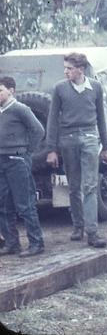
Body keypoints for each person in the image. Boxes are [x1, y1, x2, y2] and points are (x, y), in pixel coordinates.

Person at [44, 53, 107, 248]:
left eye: (69, 68)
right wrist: (51, 149)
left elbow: (101, 118)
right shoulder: (59, 89)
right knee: (74, 186)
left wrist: (106, 148)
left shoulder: (96, 87)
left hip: (90, 139)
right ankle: (78, 226)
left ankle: (92, 232)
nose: (65, 71)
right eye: (65, 68)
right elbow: (52, 120)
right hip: (68, 140)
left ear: (81, 70)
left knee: (90, 186)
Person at [0, 77, 46, 257]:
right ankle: (12, 243)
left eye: (1, 90)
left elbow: (39, 131)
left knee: (25, 205)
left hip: (17, 161)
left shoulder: (20, 109)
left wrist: (26, 152)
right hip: (1, 161)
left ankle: (37, 243)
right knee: (4, 205)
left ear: (11, 90)